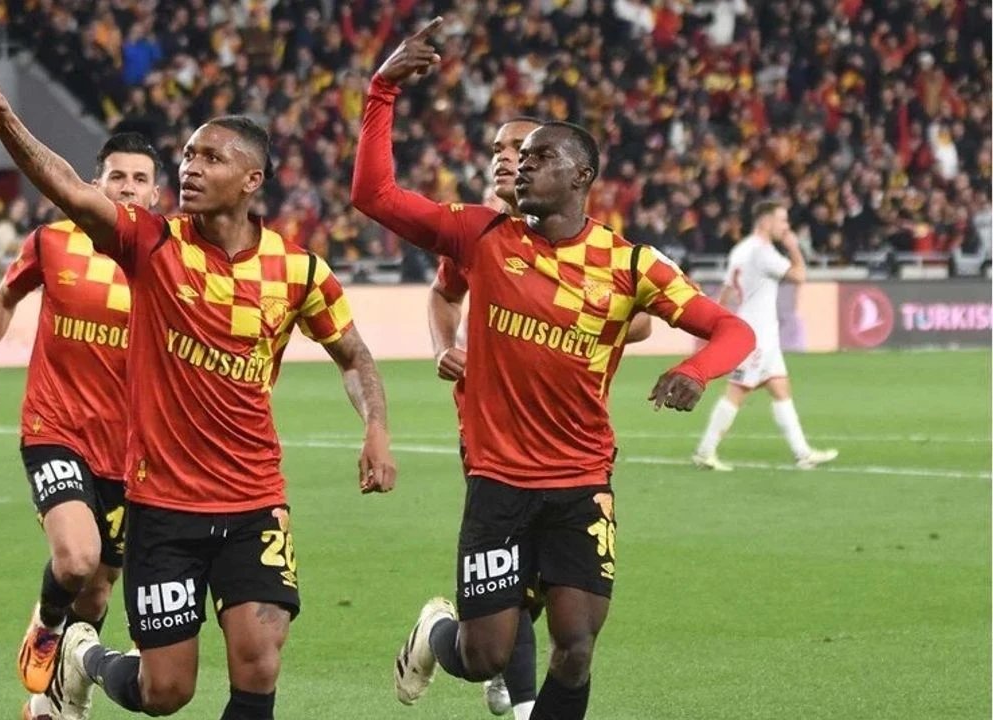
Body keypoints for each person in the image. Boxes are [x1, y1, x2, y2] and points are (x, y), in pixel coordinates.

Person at [0, 63, 396, 720]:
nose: (190, 167)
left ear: (251, 180)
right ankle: (82, 657)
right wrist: (8, 126)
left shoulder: (298, 270)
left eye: (211, 157)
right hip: (163, 504)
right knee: (166, 691)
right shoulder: (153, 244)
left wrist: (376, 429)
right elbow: (70, 190)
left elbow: (353, 356)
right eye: (188, 155)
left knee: (260, 658)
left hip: (254, 498)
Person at [351, 21, 755, 720]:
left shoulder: (631, 264)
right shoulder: (480, 235)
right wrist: (381, 89)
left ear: (580, 176)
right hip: (499, 482)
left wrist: (698, 370)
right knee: (485, 653)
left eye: (538, 157)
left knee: (577, 648)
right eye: (519, 156)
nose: (519, 167)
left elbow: (733, 329)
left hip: (581, 481)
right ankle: (435, 630)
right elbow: (375, 196)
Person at [427, 116, 654, 720]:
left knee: (547, 604)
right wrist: (445, 346)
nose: (506, 158)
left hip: (568, 443)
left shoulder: (593, 244)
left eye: (520, 149)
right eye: (498, 149)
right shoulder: (478, 234)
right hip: (489, 438)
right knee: (510, 588)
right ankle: (504, 673)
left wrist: (570, 320)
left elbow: (640, 318)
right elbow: (444, 295)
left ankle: (504, 672)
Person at [0, 131, 163, 720]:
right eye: (117, 176)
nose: (127, 188)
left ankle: (55, 699)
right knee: (75, 560)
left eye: (140, 179)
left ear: (155, 193)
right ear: (96, 183)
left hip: (130, 448)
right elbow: (4, 298)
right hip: (56, 428)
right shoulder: (53, 241)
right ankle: (46, 623)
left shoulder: (167, 256)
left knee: (98, 589)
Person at [692, 200, 839, 471]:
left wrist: (713, 323)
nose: (785, 227)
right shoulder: (763, 252)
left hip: (762, 334)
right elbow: (799, 276)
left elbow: (727, 290)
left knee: (780, 387)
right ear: (765, 221)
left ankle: (803, 453)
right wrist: (794, 246)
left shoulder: (742, 249)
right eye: (782, 221)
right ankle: (705, 451)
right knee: (737, 391)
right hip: (755, 336)